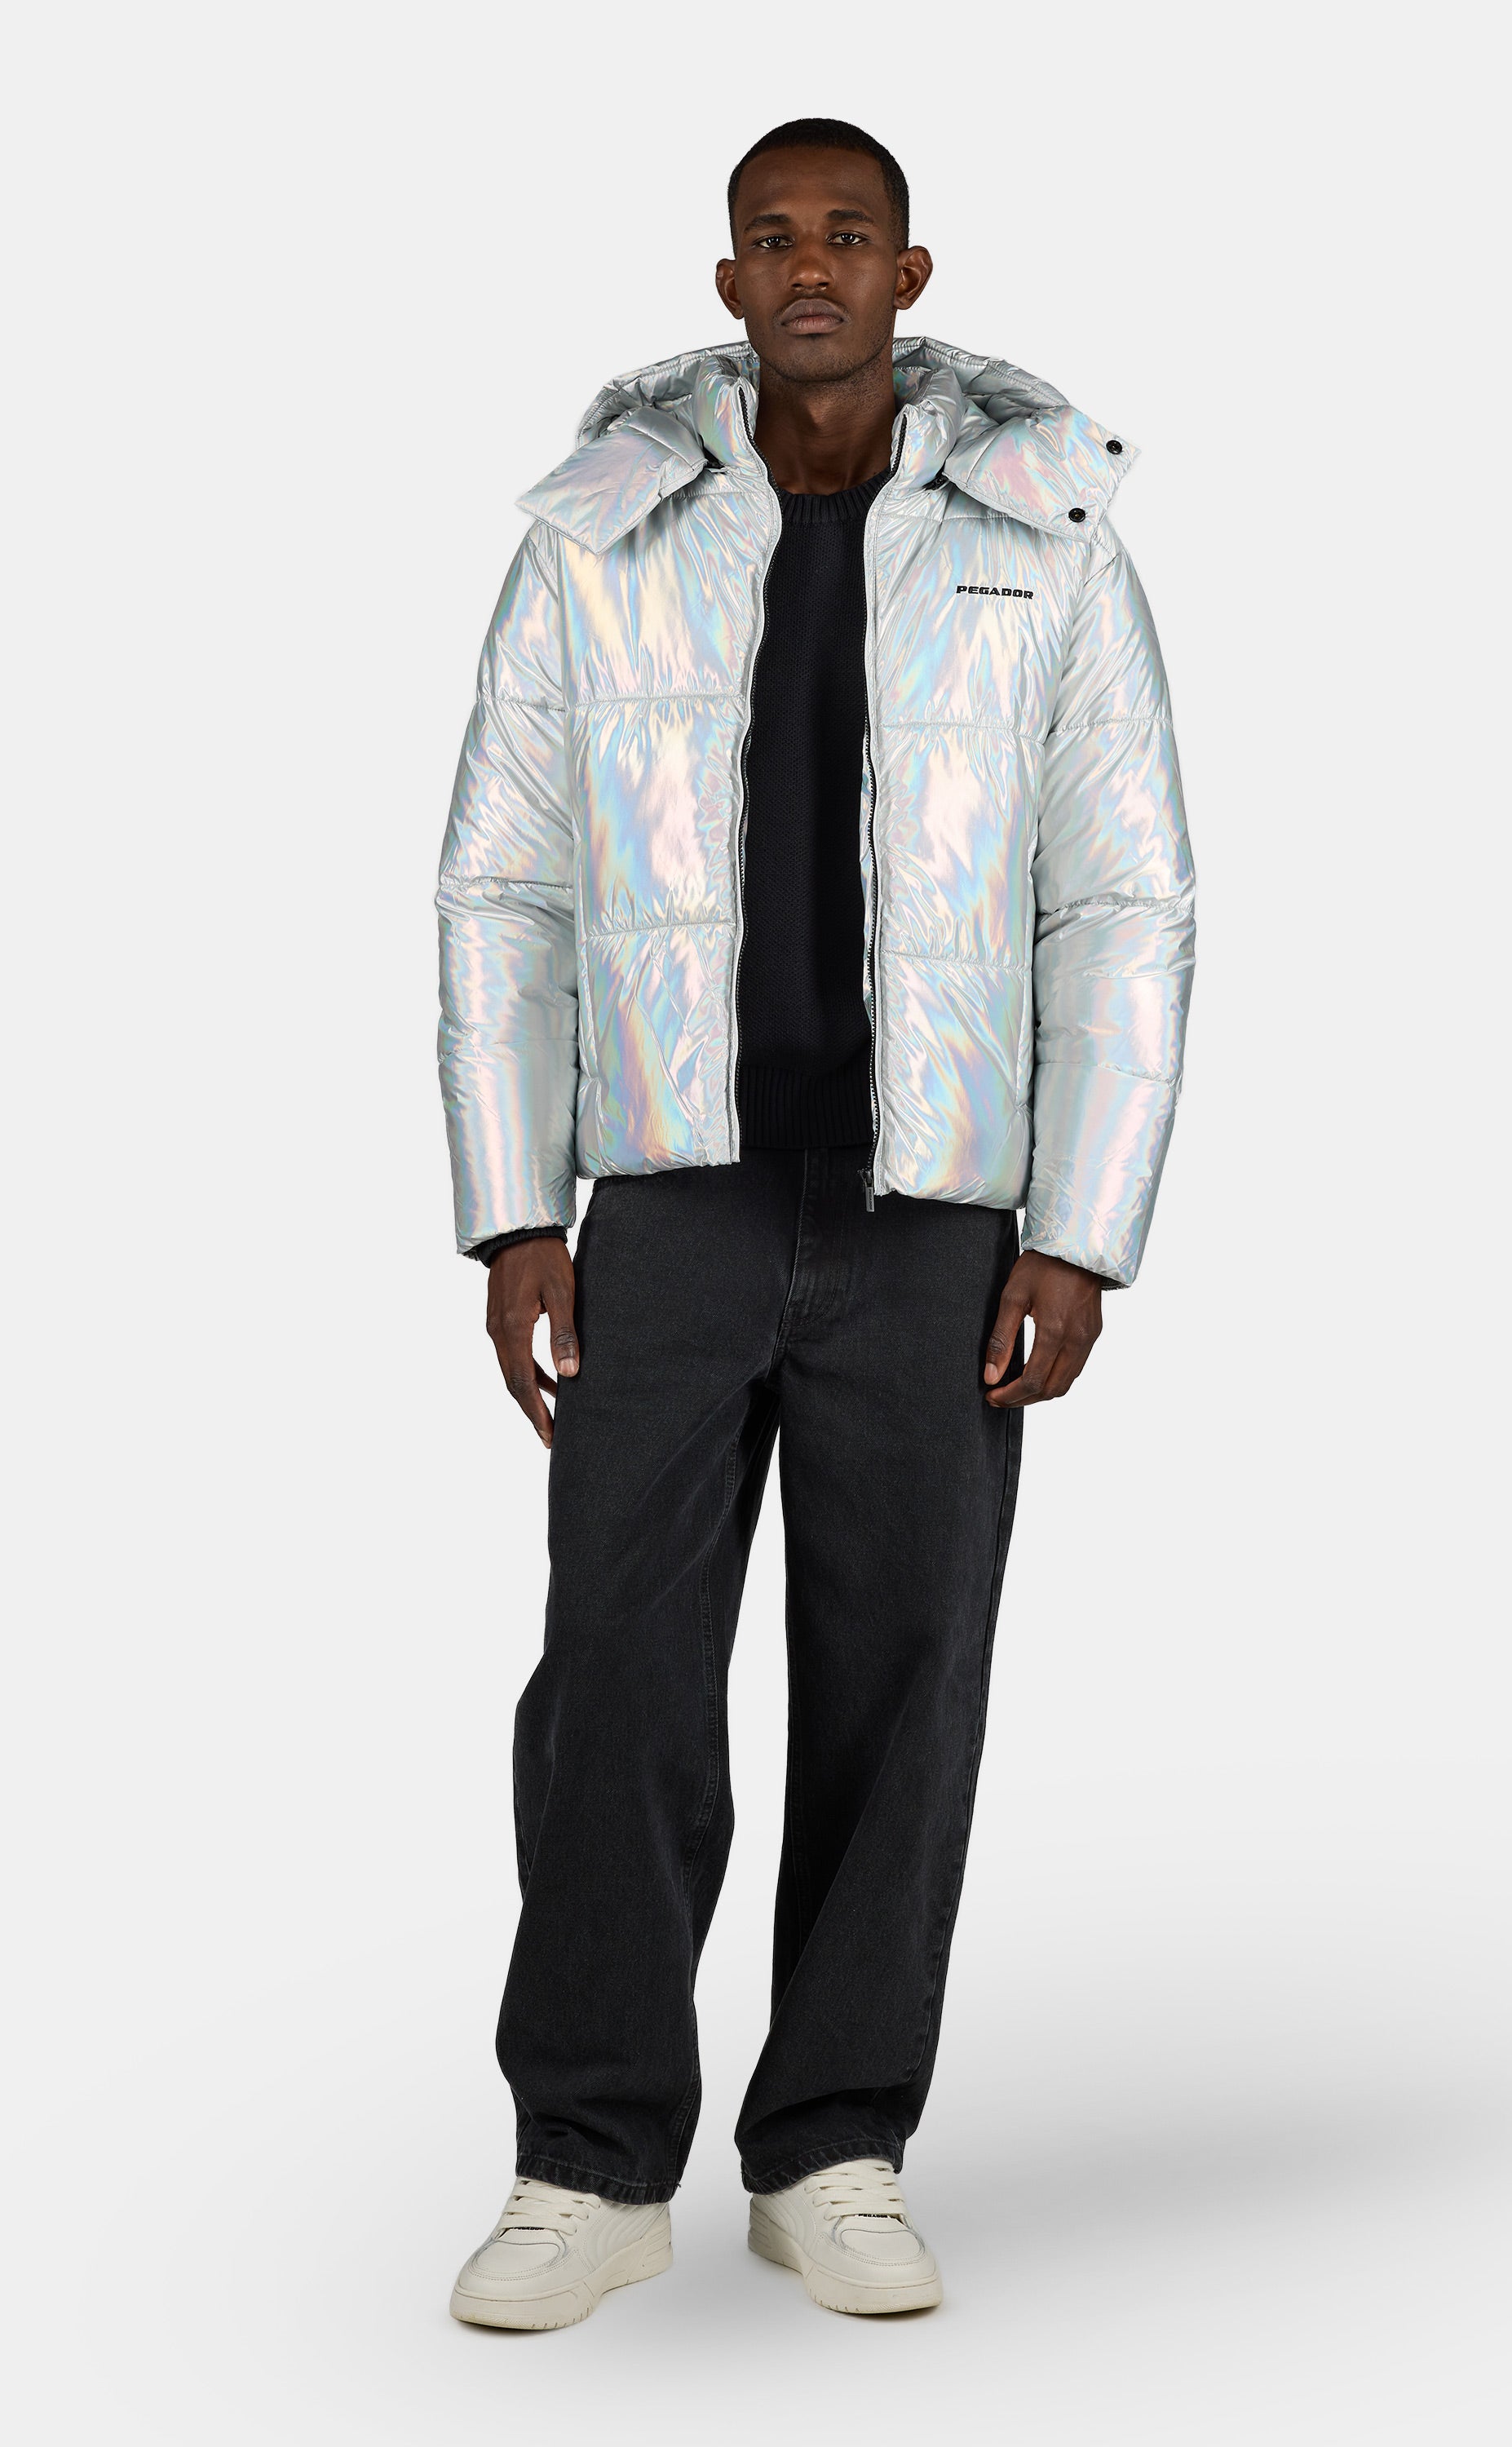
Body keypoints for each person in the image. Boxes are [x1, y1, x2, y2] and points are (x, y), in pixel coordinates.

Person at [436, 116, 1195, 2329]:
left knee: (902, 1686)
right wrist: (513, 1209)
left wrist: (1080, 1229)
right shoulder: (601, 537)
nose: (810, 269)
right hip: (665, 1200)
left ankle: (834, 2147)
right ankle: (588, 2161)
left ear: (910, 272)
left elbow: (1125, 897)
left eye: (848, 236)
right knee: (615, 1679)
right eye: (772, 237)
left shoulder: (1048, 540)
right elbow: (500, 882)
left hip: (934, 1219)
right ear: (727, 277)